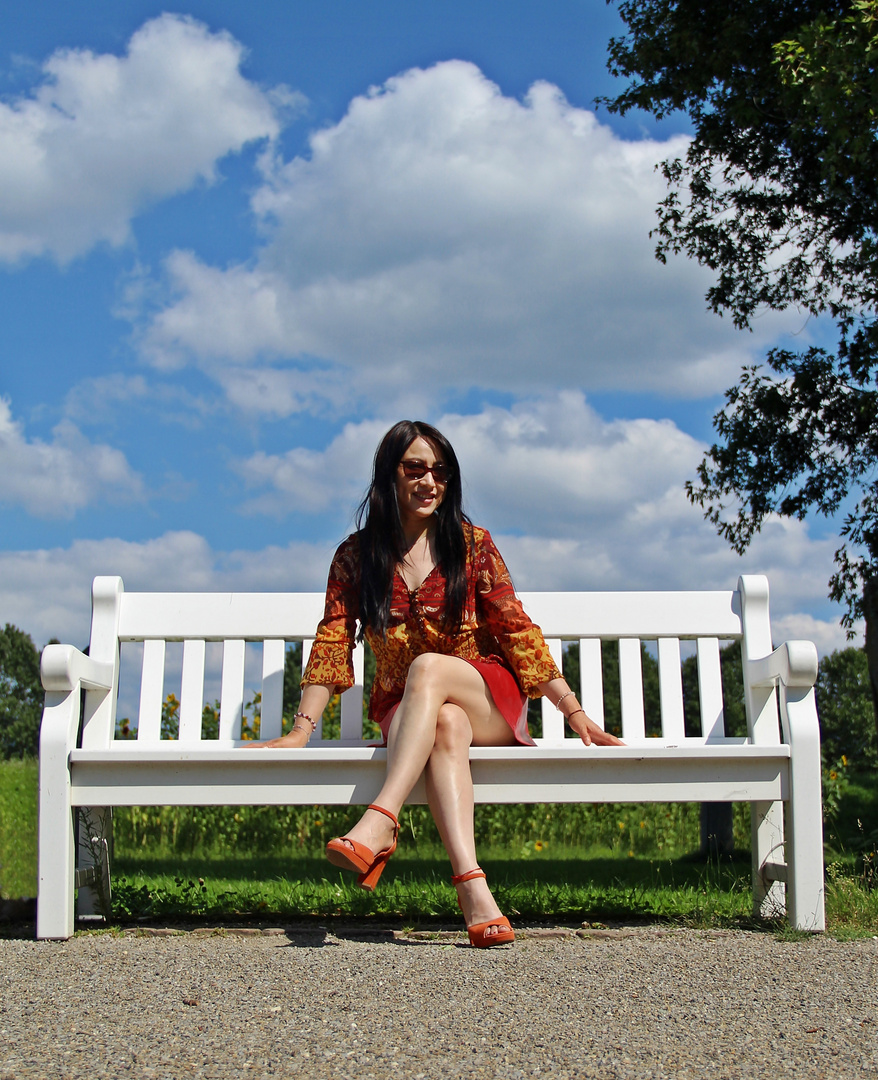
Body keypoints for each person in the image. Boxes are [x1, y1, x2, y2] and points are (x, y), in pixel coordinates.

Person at [261, 420, 622, 947]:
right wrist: (301, 729)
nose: (429, 481)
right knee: (443, 721)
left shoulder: (473, 546)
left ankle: (381, 819)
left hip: (489, 697)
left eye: (441, 472)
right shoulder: (356, 556)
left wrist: (572, 711)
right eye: (415, 468)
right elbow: (333, 640)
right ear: (390, 475)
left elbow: (515, 627)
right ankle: (474, 891)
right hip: (409, 713)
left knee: (429, 668)